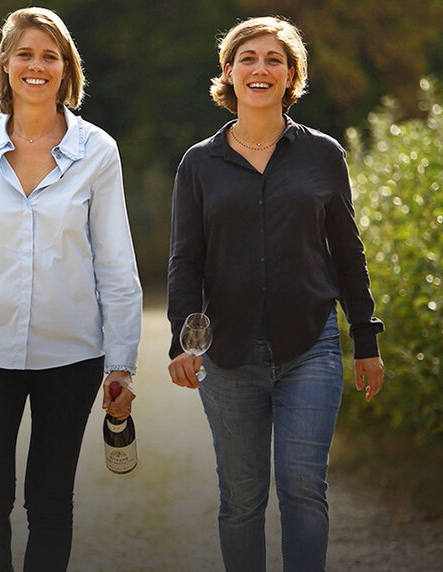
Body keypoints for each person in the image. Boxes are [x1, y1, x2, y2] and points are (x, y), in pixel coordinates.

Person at [0, 7, 142, 571]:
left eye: (50, 56)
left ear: (67, 70)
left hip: (73, 354)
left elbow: (116, 263)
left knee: (49, 501)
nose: (36, 65)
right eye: (25, 54)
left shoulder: (98, 152)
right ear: (5, 66)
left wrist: (122, 364)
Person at [166, 16, 385, 572]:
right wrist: (180, 341)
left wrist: (366, 338)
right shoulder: (198, 163)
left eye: (274, 60)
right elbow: (185, 261)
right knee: (241, 501)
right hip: (229, 353)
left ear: (291, 75)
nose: (260, 69)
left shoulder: (324, 155)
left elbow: (347, 252)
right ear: (229, 73)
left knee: (304, 489)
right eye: (249, 58)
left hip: (309, 346)